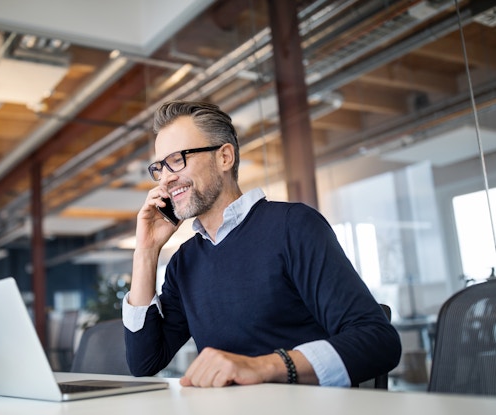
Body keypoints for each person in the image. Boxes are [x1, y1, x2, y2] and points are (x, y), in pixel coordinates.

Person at [122, 100, 401, 388]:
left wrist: (263, 367)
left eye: (177, 159)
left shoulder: (293, 226)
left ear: (225, 157)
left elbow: (378, 341)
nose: (166, 179)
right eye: (159, 167)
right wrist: (146, 251)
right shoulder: (185, 262)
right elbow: (145, 362)